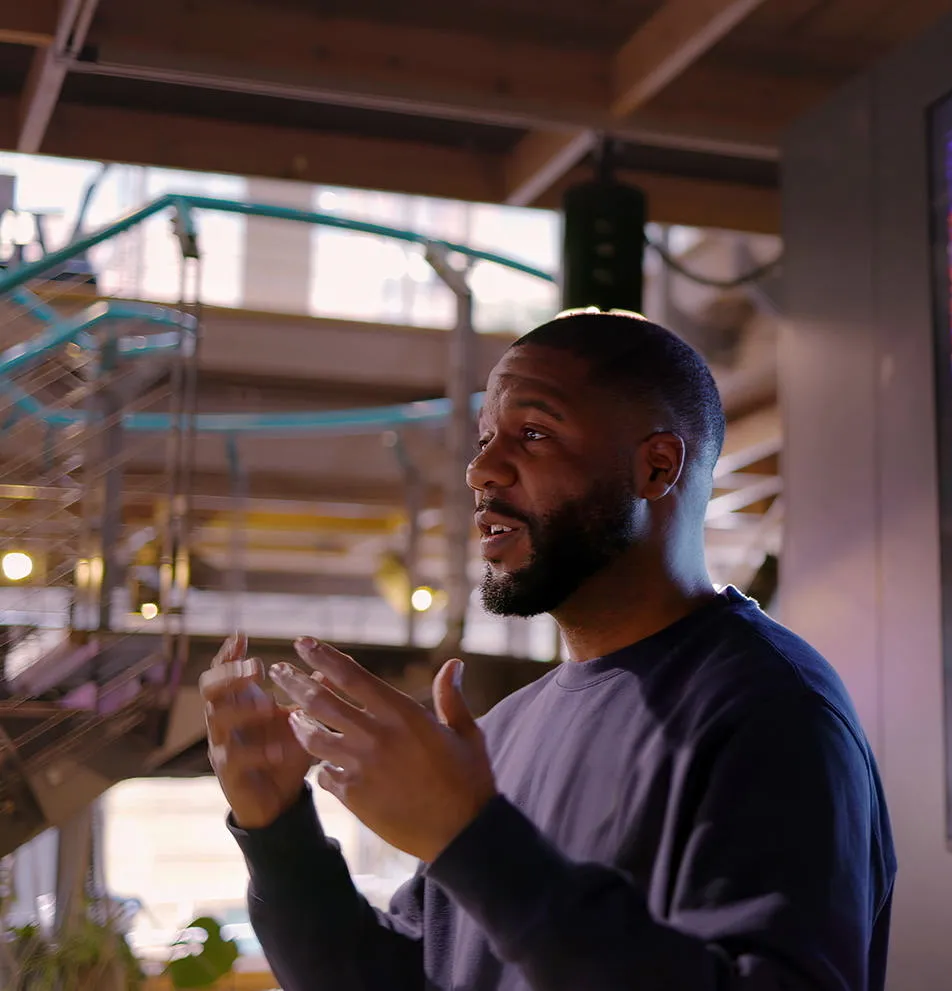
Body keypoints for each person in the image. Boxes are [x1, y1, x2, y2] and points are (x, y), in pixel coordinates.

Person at [200, 311, 896, 991]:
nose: (481, 471)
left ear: (655, 467)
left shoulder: (772, 709)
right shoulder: (502, 730)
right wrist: (279, 831)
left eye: (532, 434)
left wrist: (471, 840)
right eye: (483, 438)